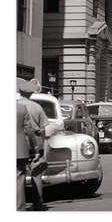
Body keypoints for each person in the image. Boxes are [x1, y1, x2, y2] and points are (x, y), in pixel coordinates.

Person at [17, 78, 48, 211]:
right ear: (31, 93)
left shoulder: (16, 106)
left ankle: (18, 204)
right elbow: (43, 128)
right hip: (35, 141)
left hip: (19, 143)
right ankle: (38, 203)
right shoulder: (37, 107)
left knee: (18, 175)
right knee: (36, 173)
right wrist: (41, 147)